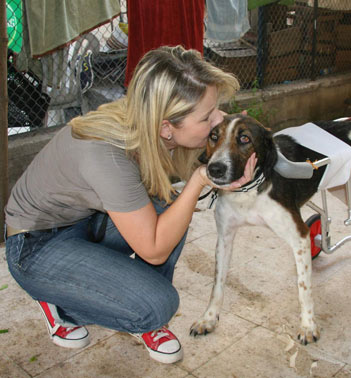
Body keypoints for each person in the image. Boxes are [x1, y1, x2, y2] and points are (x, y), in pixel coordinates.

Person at [4, 45, 257, 364]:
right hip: (35, 245)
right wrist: (199, 181)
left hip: (84, 220)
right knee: (158, 304)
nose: (217, 119)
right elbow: (153, 249)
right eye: (208, 116)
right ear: (167, 126)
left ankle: (127, 296)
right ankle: (61, 301)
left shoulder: (146, 115)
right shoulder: (107, 155)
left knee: (168, 205)